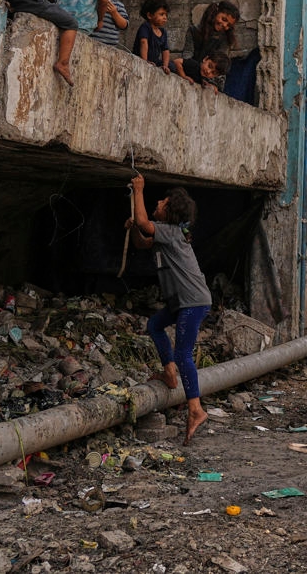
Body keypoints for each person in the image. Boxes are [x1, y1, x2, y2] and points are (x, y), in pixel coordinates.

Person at [126, 173, 211, 444]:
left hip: (193, 301)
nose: (158, 202)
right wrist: (133, 230)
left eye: (162, 201)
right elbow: (142, 240)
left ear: (170, 211)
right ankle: (169, 373)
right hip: (182, 302)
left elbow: (143, 222)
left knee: (184, 352)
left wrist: (139, 190)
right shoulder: (167, 235)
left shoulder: (172, 233)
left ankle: (196, 409)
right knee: (154, 325)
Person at [133, 0, 191, 80]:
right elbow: (143, 43)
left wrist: (165, 66)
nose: (165, 18)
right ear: (149, 15)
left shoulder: (163, 32)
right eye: (161, 14)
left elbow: (165, 50)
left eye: (166, 15)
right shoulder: (146, 27)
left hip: (155, 61)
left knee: (172, 66)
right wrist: (144, 62)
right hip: (142, 58)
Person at [184, 0, 240, 66]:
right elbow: (187, 53)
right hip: (191, 67)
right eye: (224, 19)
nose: (225, 25)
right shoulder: (193, 30)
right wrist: (189, 66)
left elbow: (219, 62)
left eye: (229, 25)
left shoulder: (225, 39)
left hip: (210, 71)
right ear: (215, 12)